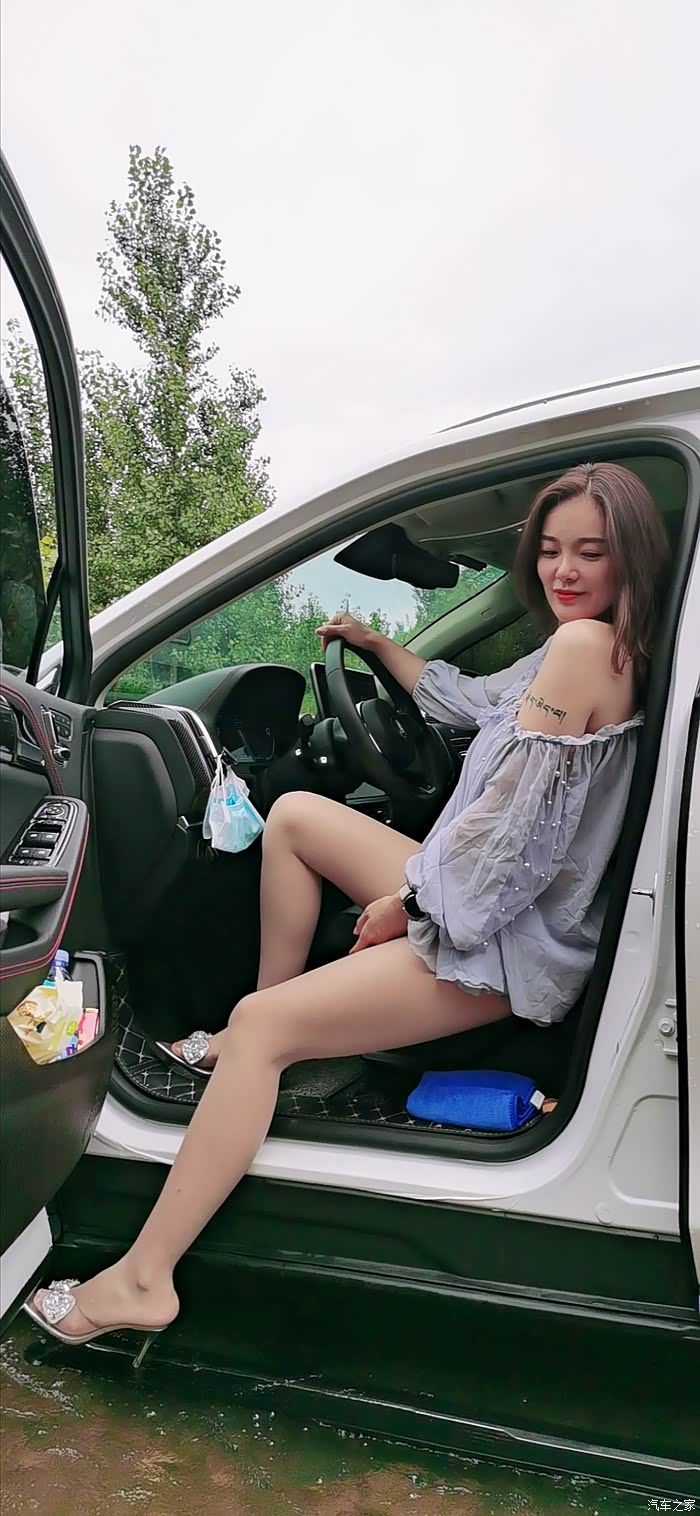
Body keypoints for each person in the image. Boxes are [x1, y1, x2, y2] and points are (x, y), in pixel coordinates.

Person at [26, 461, 669, 1352]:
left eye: (590, 552)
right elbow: (469, 701)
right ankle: (261, 1046)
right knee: (293, 817)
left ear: (631, 557)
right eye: (551, 548)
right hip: (493, 906)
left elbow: (509, 840)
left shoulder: (584, 649)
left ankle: (146, 1277)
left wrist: (411, 903)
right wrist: (371, 643)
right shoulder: (596, 645)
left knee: (261, 1025)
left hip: (501, 942)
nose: (563, 569)